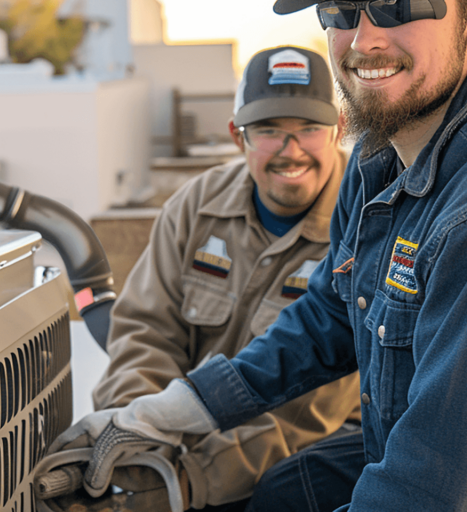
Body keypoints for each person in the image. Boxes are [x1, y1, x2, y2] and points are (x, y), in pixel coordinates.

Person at [50, 0, 467, 511]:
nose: (364, 38)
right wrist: (172, 411)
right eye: (340, 7)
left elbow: (433, 482)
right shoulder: (381, 159)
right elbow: (327, 321)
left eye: (399, 5)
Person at [88, 46, 363, 510]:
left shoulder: (362, 222)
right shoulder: (196, 205)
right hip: (185, 442)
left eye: (309, 130)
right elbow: (145, 329)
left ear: (339, 128)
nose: (289, 150)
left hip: (306, 452)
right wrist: (138, 436)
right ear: (238, 136)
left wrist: (192, 477)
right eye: (270, 131)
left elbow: (312, 408)